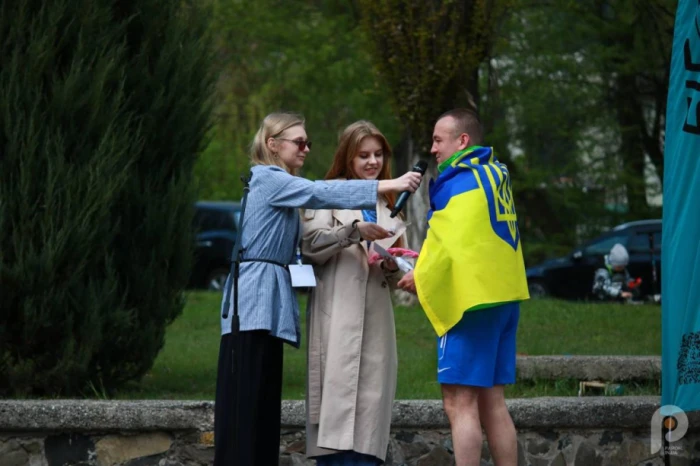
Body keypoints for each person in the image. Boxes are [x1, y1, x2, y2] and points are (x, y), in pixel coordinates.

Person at [213, 112, 422, 466]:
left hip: (269, 306)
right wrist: (390, 185)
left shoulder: (284, 182)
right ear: (272, 144)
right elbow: (318, 194)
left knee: (262, 411)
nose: (306, 148)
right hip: (251, 305)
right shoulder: (269, 178)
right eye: (299, 142)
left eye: (307, 142)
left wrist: (391, 263)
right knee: (244, 412)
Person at [397, 108, 529, 466]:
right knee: (493, 403)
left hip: (471, 306)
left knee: (459, 403)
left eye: (438, 140)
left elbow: (446, 244)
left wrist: (419, 276)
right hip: (505, 298)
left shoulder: (457, 180)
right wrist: (424, 259)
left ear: (462, 141)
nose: (433, 149)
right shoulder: (494, 174)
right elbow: (469, 238)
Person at [301, 121, 410, 466]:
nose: (373, 162)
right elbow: (310, 245)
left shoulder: (389, 205)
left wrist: (393, 265)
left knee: (368, 421)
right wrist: (354, 231)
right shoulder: (325, 193)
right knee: (334, 419)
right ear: (348, 157)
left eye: (378, 154)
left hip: (377, 320)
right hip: (336, 314)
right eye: (364, 155)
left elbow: (400, 269)